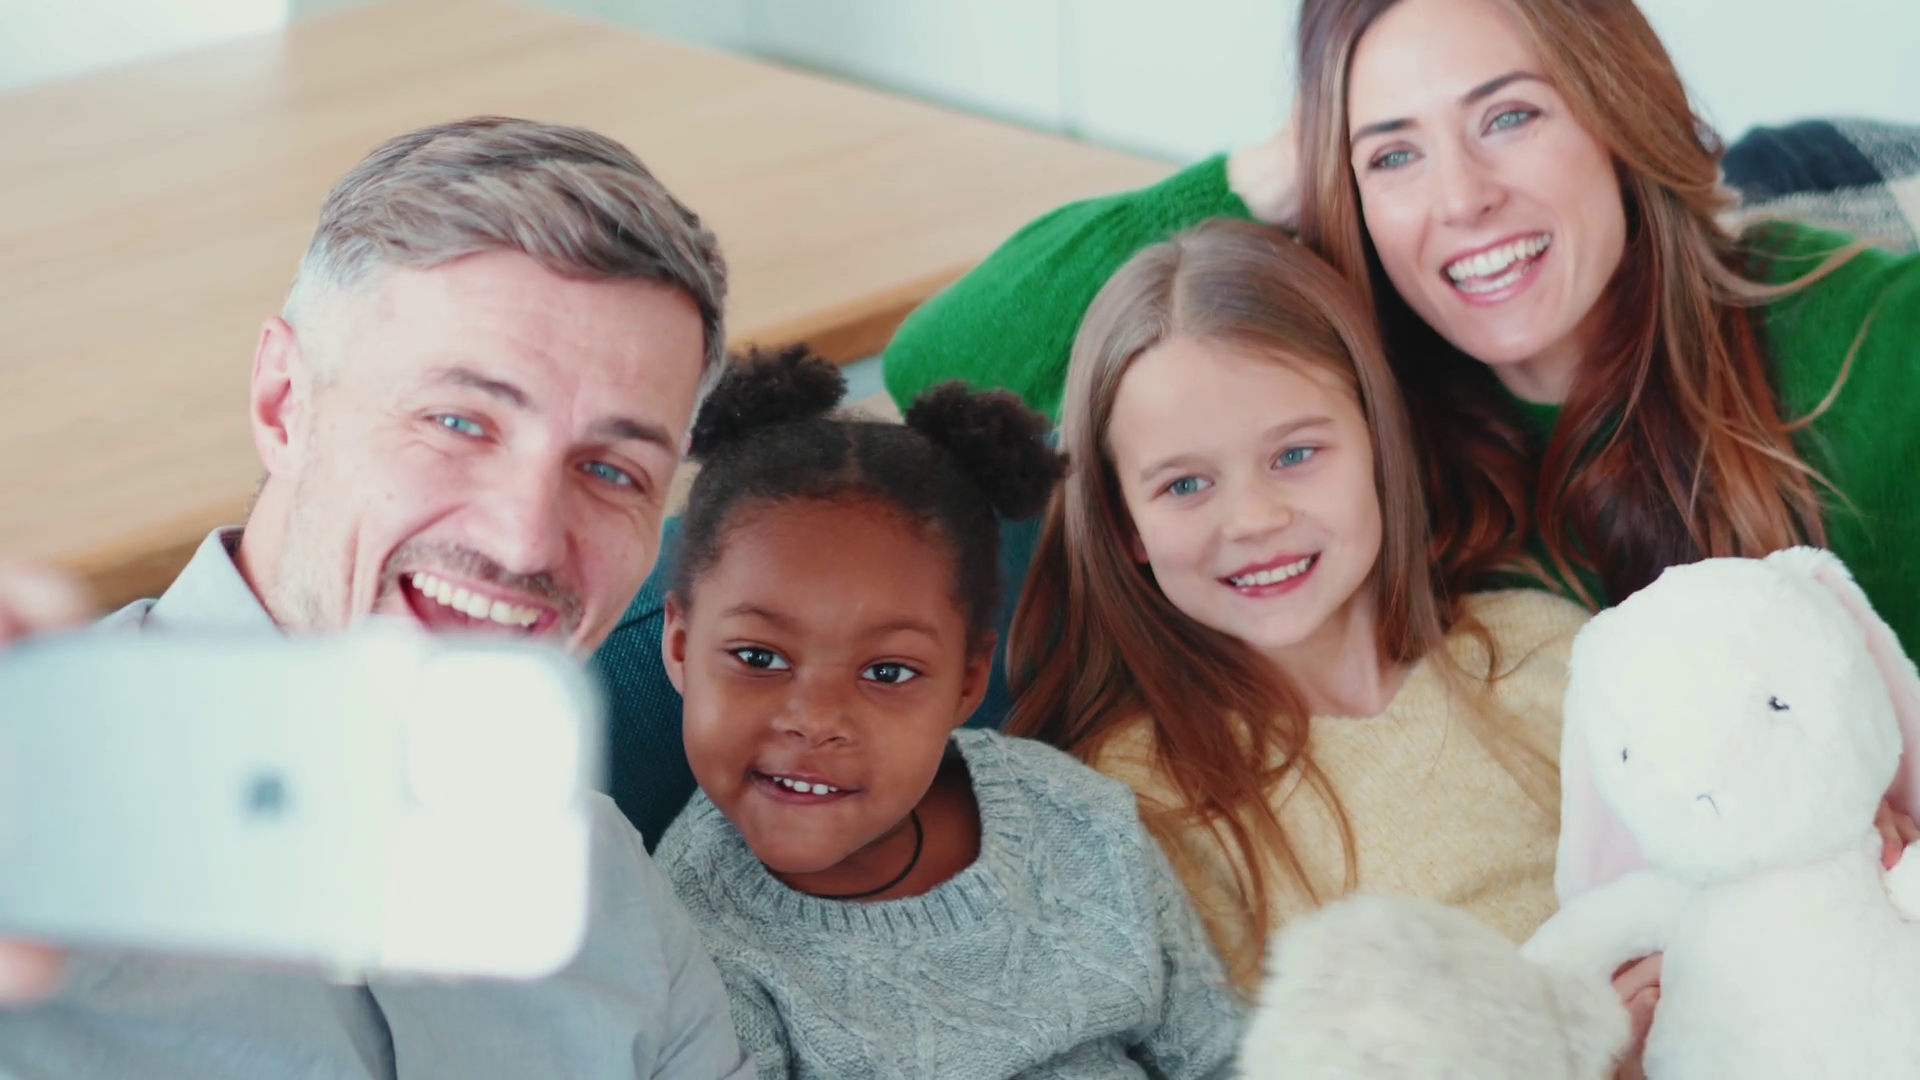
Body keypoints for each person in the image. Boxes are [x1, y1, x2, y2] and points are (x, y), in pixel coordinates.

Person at [0, 116, 752, 1080]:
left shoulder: (610, 892)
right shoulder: (32, 815)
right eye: (458, 422)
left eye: (612, 471)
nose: (524, 539)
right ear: (284, 403)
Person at [1005, 219, 1583, 993]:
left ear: (1379, 442)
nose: (1254, 519)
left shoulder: (1556, 655)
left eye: (1295, 454)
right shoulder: (1143, 800)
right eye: (1185, 484)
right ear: (1124, 524)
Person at [652, 347, 1242, 1078]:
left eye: (888, 672)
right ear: (680, 647)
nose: (814, 719)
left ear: (966, 683)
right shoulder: (684, 934)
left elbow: (1223, 1054)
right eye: (759, 657)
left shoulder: (1076, 817)